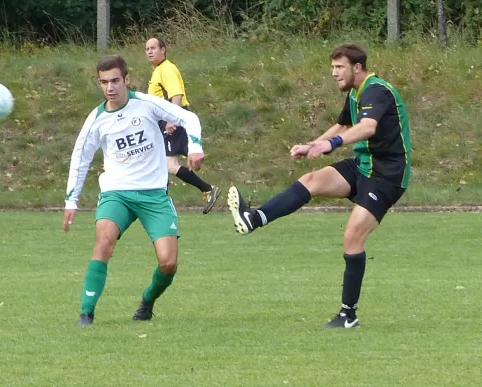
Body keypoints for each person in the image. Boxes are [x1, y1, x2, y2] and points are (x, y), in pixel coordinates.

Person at [227, 43, 411, 329]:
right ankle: (255, 218)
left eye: (340, 68)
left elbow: (366, 128)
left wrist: (332, 144)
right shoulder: (355, 93)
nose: (334, 73)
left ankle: (348, 315)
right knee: (311, 180)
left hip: (386, 175)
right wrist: (314, 145)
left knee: (352, 236)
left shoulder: (376, 90)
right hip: (363, 165)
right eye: (333, 68)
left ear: (357, 67)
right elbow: (343, 125)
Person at [63, 55, 205, 327]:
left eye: (115, 80)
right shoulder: (96, 120)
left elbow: (189, 118)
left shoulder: (146, 104)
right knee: (103, 242)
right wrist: (72, 200)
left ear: (126, 79)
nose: (110, 87)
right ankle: (86, 313)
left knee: (168, 264)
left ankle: (147, 301)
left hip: (153, 194)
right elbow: (79, 159)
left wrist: (195, 147)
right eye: (104, 82)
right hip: (117, 193)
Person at [145, 36, 221, 214]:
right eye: (147, 49)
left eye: (153, 48)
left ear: (163, 49)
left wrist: (171, 119)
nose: (149, 51)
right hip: (164, 120)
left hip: (172, 118)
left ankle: (207, 190)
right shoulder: (158, 70)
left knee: (169, 164)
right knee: (163, 162)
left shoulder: (167, 69)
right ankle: (164, 200)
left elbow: (176, 95)